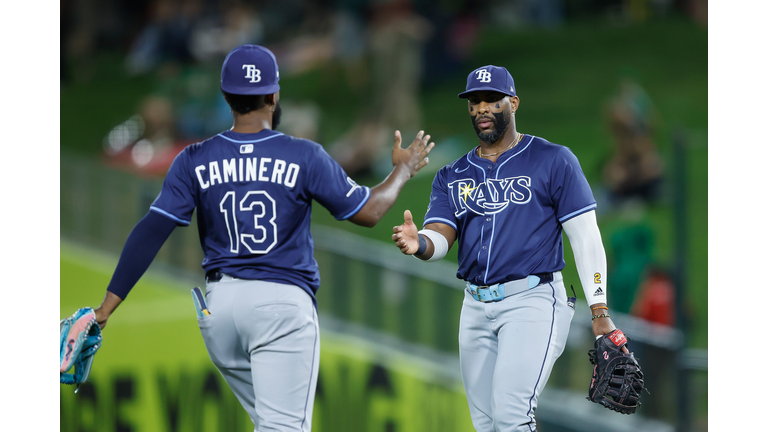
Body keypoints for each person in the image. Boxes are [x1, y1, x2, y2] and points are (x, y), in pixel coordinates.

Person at [91, 44, 434, 432]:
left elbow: (152, 229)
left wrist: (105, 309)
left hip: (219, 312)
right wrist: (402, 172)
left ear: (227, 97)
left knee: (272, 424)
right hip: (280, 305)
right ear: (274, 95)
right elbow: (368, 212)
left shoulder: (194, 158)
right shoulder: (303, 155)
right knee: (285, 427)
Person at [391, 65, 623, 432]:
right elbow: (440, 237)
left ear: (513, 103)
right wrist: (419, 242)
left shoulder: (553, 159)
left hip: (531, 300)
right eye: (474, 101)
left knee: (512, 416)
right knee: (486, 424)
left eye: (491, 99)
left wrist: (599, 310)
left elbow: (585, 236)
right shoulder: (453, 174)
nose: (482, 108)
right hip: (475, 305)